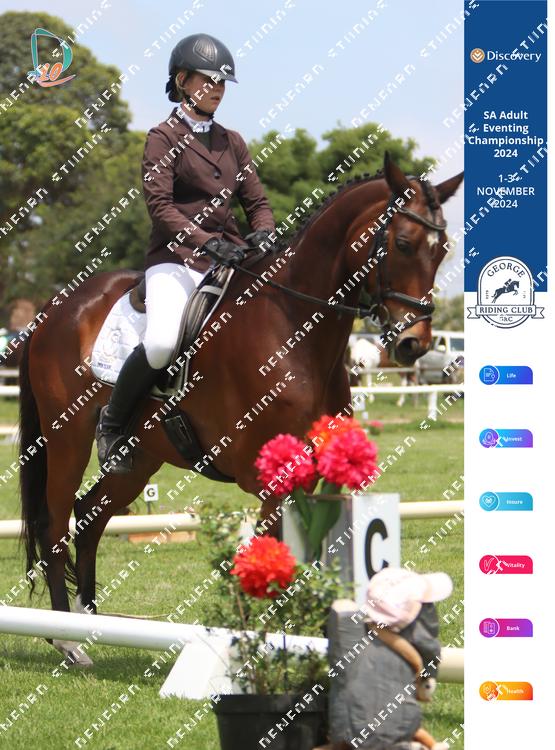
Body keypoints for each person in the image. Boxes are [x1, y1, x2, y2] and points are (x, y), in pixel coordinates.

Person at [96, 33, 276, 472]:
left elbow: (257, 202)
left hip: (231, 258)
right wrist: (205, 241)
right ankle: (113, 424)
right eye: (209, 80)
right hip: (176, 259)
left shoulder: (233, 141)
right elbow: (160, 207)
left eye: (222, 82)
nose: (218, 89)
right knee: (161, 342)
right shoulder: (162, 138)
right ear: (182, 80)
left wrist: (265, 233)